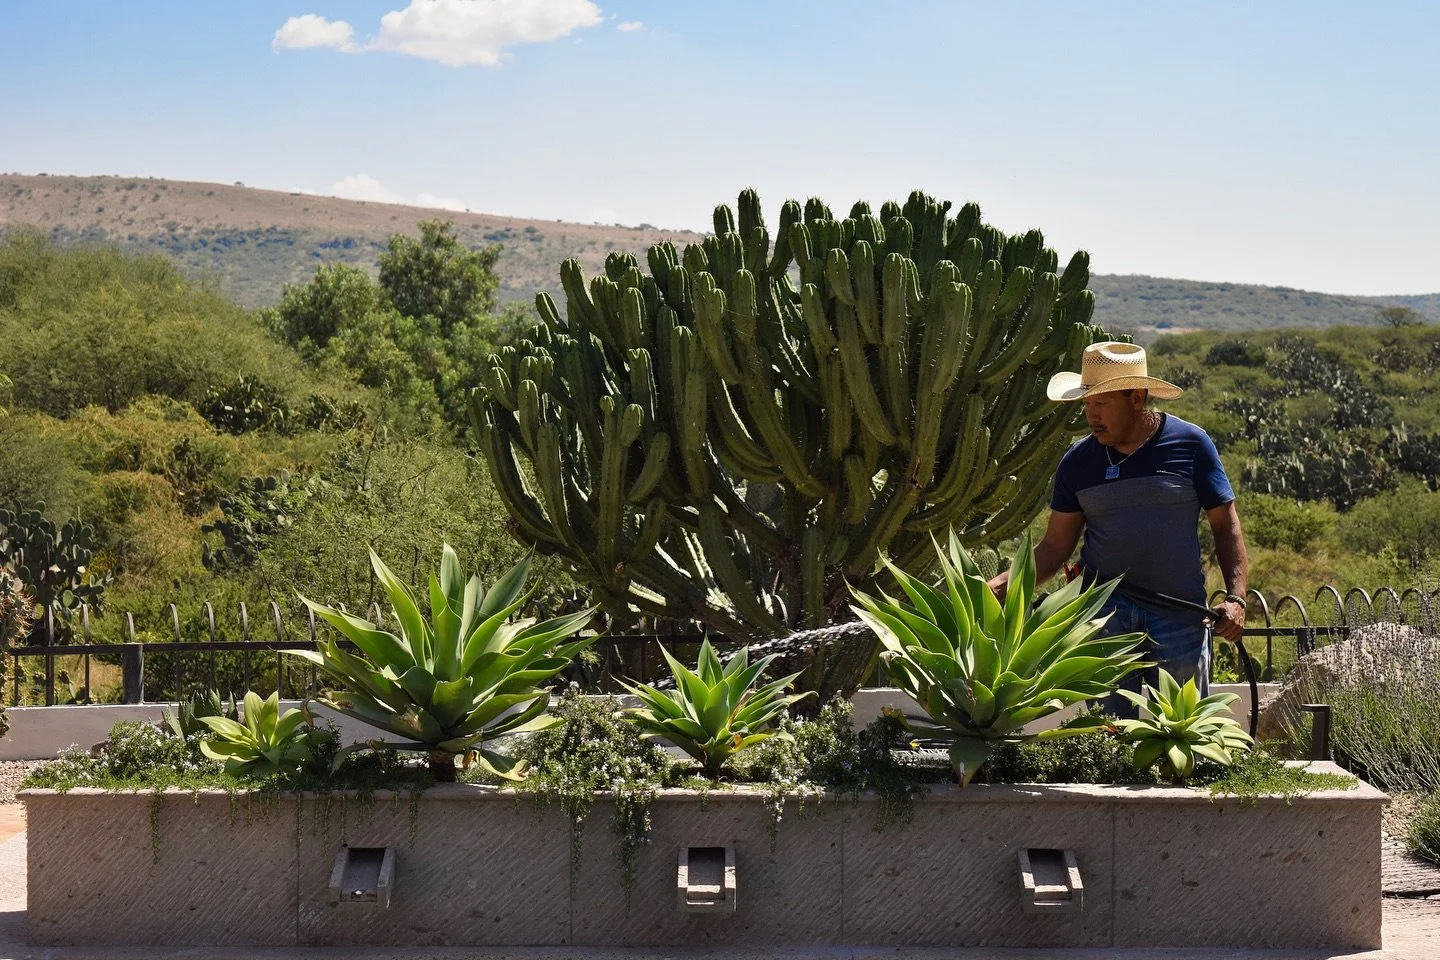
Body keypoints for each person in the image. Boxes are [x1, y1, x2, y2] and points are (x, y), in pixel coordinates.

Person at [986, 341, 1249, 717]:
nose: (1091, 415)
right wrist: (1001, 586)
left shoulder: (1191, 445)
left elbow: (1226, 527)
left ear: (1137, 397)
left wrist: (1236, 599)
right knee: (1108, 737)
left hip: (1179, 617)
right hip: (1105, 619)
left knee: (1182, 732)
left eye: (1101, 403)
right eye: (1087, 403)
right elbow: (1055, 547)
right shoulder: (1078, 463)